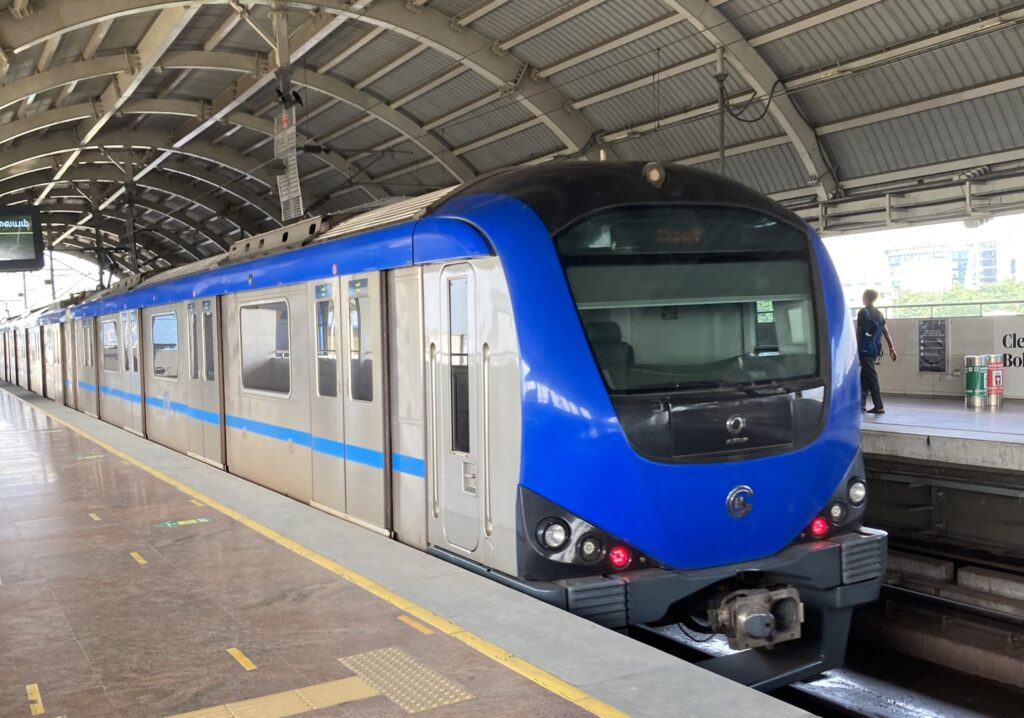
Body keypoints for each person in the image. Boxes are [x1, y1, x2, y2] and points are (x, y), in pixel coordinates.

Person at [857, 289, 897, 414]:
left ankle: (879, 406)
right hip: (875, 349)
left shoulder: (862, 312)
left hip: (864, 349)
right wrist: (891, 347)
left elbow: (859, 332)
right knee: (865, 376)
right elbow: (886, 331)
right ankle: (861, 405)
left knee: (871, 377)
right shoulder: (879, 314)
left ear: (866, 298)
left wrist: (855, 349)